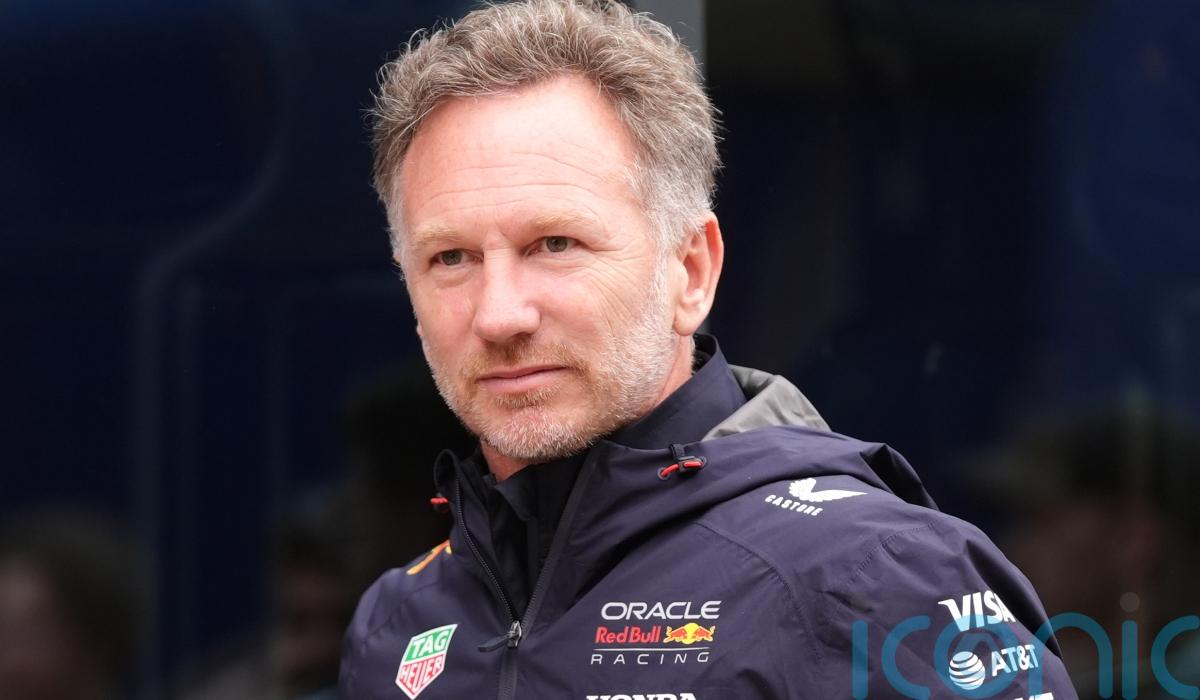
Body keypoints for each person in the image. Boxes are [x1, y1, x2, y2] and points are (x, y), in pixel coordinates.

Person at [340, 1, 1078, 698]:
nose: (500, 315)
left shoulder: (872, 577)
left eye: (555, 244)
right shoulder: (394, 627)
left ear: (691, 271)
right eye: (451, 258)